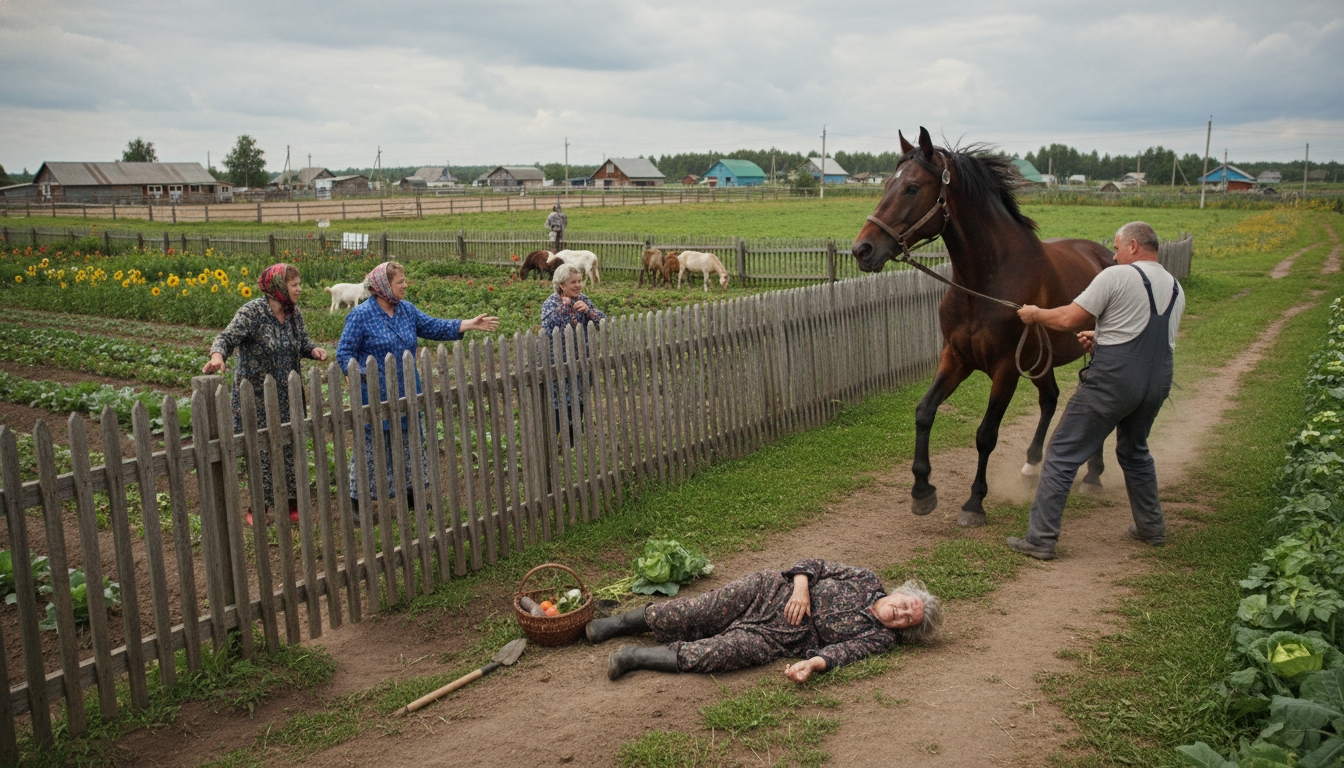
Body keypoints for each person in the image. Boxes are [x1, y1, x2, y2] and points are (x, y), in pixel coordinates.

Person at [1007, 221, 1185, 560]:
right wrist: (1101, 340)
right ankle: (1151, 529)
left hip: (1114, 380)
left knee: (1061, 452)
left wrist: (1035, 314)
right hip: (1157, 380)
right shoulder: (1174, 286)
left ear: (1133, 246)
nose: (1114, 256)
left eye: (1117, 248)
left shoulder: (1115, 276)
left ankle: (1041, 539)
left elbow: (1070, 318)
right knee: (1135, 451)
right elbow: (1148, 335)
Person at [586, 559, 942, 682]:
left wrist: (811, 665)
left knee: (720, 653)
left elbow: (843, 654)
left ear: (903, 630)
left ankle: (632, 656)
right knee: (698, 612)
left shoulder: (880, 638)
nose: (904, 612)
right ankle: (616, 624)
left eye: (909, 619)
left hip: (781, 638)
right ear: (900, 592)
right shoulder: (866, 579)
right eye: (908, 604)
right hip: (770, 591)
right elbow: (813, 563)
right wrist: (800, 588)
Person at [336, 261, 499, 524]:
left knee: (410, 442)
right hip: (374, 394)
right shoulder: (361, 315)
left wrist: (469, 324)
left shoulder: (406, 310)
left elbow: (434, 326)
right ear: (383, 286)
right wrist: (359, 377)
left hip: (408, 389)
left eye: (404, 280)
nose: (405, 285)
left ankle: (413, 496)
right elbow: (344, 353)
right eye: (400, 281)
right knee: (371, 448)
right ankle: (358, 501)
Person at [204, 263, 327, 526]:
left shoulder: (294, 314)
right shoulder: (252, 312)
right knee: (260, 452)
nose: (299, 289)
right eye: (294, 285)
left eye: (298, 284)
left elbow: (302, 341)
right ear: (279, 288)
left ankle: (291, 502)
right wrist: (217, 357)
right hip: (256, 398)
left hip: (288, 395)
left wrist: (313, 350)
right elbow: (225, 338)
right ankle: (259, 507)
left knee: (289, 449)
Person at [541, 263, 606, 433]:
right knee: (560, 399)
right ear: (562, 285)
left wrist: (589, 312)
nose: (578, 285)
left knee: (580, 397)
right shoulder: (550, 302)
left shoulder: (583, 299)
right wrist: (565, 306)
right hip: (558, 362)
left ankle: (575, 435)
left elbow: (602, 322)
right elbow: (549, 326)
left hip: (581, 359)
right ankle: (558, 437)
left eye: (579, 281)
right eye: (573, 282)